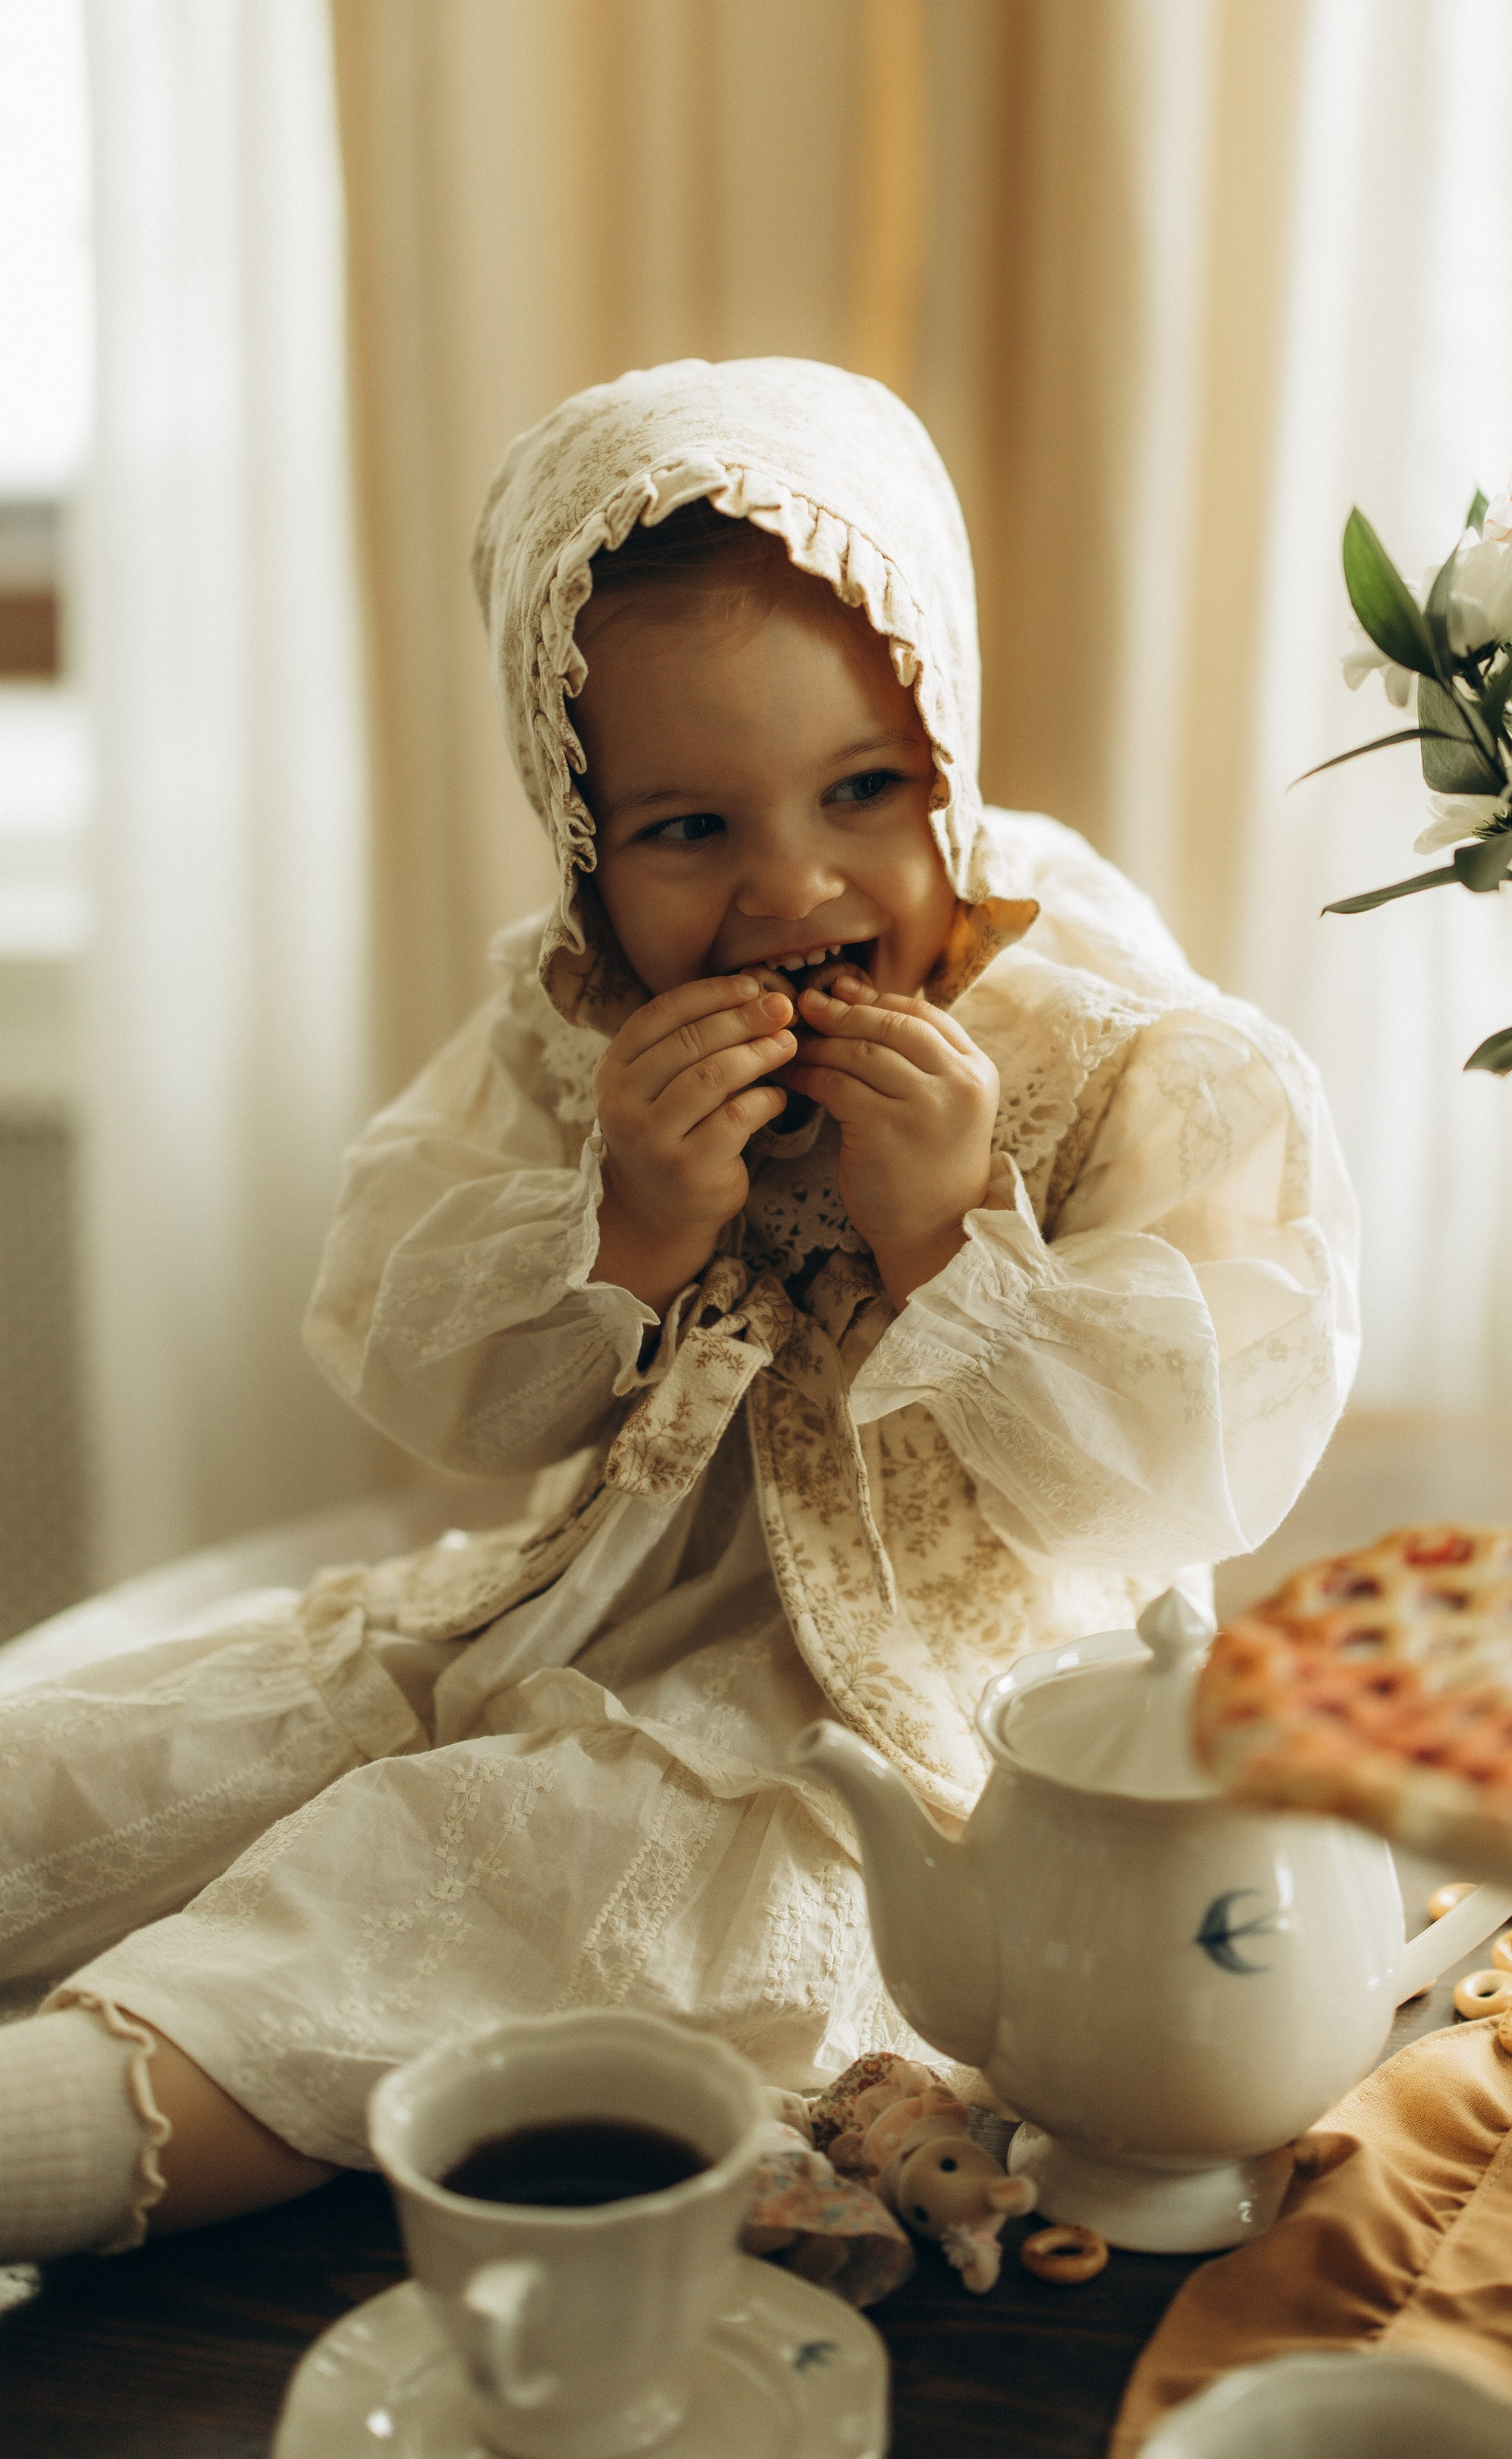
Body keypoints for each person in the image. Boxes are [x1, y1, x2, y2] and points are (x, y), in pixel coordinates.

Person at [0, 358, 1359, 2261]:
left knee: (464, 1874)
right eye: (686, 831)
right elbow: (436, 1380)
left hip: (873, 1730)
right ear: (578, 828)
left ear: (948, 752)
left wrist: (956, 1239)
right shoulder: (575, 1028)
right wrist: (626, 1225)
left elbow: (1180, 1484)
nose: (787, 888)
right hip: (563, 1601)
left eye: (862, 792)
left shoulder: (1118, 1053)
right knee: (130, 1752)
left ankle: (58, 2132)